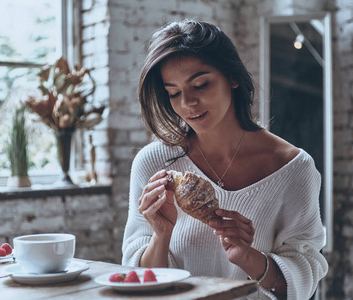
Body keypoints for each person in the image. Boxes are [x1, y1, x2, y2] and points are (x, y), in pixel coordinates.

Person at [122, 19, 328, 300]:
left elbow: (305, 276)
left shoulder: (293, 169)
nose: (187, 104)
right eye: (173, 93)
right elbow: (142, 284)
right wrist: (161, 235)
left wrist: (247, 256)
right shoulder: (153, 162)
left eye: (201, 85)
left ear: (232, 77)